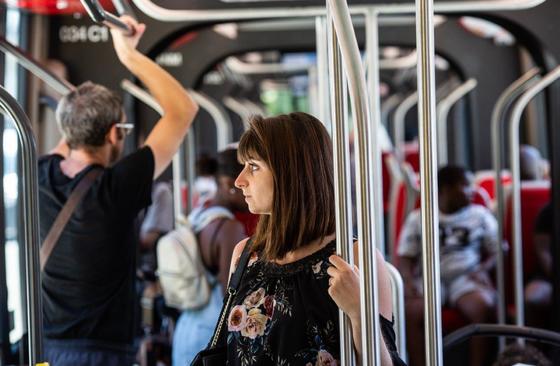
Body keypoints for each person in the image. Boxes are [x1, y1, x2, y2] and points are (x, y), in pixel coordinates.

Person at [38, 16, 198, 366]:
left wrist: (81, 110)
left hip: (43, 350)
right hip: (102, 354)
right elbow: (183, 110)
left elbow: (72, 135)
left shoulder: (40, 174)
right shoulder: (116, 187)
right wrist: (127, 54)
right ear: (114, 133)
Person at [222, 113, 405, 365]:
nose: (239, 181)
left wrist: (360, 314)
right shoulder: (245, 254)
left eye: (253, 166)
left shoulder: (355, 258)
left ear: (292, 173)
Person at [398, 165, 498, 366]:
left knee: (483, 306)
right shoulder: (419, 218)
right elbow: (405, 256)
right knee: (411, 311)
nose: (471, 191)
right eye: (464, 185)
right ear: (444, 189)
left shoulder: (480, 215)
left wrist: (484, 269)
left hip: (466, 275)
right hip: (429, 277)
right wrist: (408, 282)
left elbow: (497, 251)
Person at [172, 148, 249, 366]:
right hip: (209, 332)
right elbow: (232, 292)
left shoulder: (200, 213)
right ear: (227, 183)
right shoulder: (229, 228)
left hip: (187, 326)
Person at [524, 202, 553, 328]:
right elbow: (544, 253)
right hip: (549, 276)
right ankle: (533, 345)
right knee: (533, 298)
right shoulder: (548, 212)